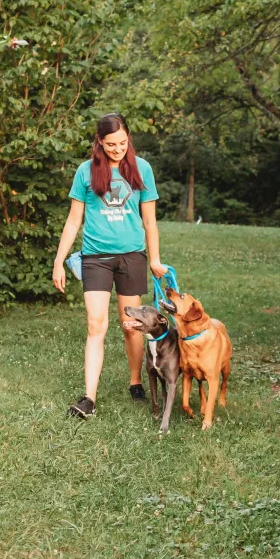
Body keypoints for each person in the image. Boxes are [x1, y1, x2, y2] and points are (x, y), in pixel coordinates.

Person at [53, 113, 168, 418]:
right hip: (96, 258)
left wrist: (154, 259)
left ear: (128, 138)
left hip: (132, 256)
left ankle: (135, 382)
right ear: (99, 143)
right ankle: (89, 398)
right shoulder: (86, 172)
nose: (117, 149)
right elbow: (74, 219)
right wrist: (58, 261)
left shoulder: (141, 168)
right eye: (110, 144)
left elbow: (149, 221)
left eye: (122, 142)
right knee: (95, 325)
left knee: (131, 327)